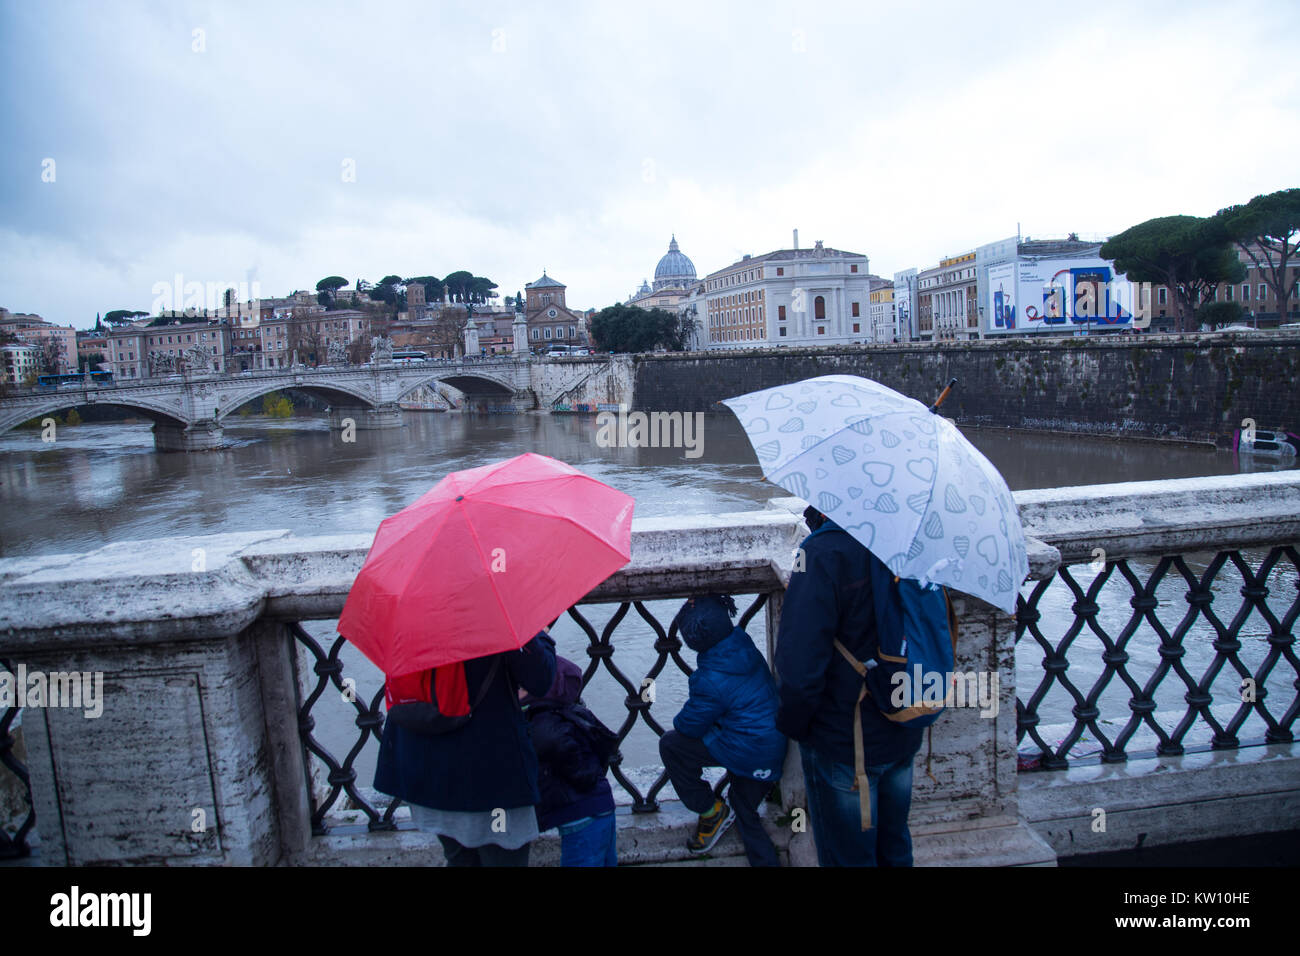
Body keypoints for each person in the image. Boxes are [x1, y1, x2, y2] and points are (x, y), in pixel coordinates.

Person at [775, 506, 923, 867]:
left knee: (847, 857)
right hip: (905, 722)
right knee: (896, 847)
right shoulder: (914, 538)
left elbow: (799, 668)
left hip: (845, 738)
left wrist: (795, 728)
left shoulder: (823, 552)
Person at [374, 630, 556, 866]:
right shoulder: (494, 610)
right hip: (489, 778)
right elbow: (540, 678)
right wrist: (538, 631)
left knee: (459, 857)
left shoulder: (408, 603)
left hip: (423, 769)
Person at [659, 594, 786, 866]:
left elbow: (687, 727)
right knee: (743, 807)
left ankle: (710, 809)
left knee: (671, 744)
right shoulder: (742, 641)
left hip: (749, 752)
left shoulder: (709, 680)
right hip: (772, 747)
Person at [520, 655, 618, 866]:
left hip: (580, 816)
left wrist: (584, 776)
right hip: (600, 807)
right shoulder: (572, 714)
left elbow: (553, 745)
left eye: (523, 687)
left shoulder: (543, 723)